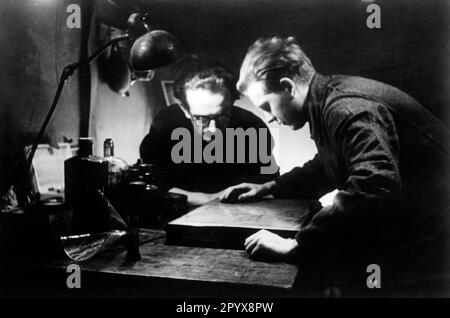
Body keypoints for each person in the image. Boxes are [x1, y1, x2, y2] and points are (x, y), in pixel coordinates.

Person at [220, 36, 450, 287]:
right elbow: (326, 164)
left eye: (266, 105)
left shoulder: (346, 108)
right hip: (421, 220)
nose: (270, 118)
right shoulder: (326, 99)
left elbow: (373, 185)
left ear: (288, 87)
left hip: (435, 234)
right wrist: (269, 188)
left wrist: (297, 245)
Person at [140, 56, 279, 205]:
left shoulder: (252, 126)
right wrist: (212, 199)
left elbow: (267, 185)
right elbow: (156, 187)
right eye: (202, 119)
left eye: (222, 117)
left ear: (231, 103)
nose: (213, 130)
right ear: (185, 110)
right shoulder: (165, 125)